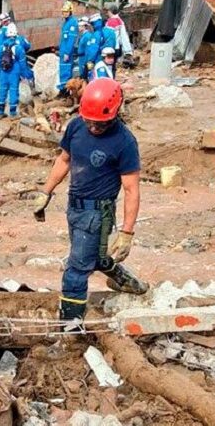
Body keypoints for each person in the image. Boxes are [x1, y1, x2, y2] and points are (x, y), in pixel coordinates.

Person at [33, 78, 148, 326]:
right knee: (92, 257)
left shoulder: (124, 142)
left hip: (97, 213)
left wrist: (127, 232)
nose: (94, 127)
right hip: (74, 207)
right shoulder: (76, 127)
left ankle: (69, 328)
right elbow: (64, 160)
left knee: (75, 271)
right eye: (90, 121)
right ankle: (131, 284)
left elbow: (131, 189)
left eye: (100, 124)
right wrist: (46, 191)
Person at [0, 23, 26, 118]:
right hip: (14, 71)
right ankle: (12, 113)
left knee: (2, 90)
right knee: (13, 90)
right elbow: (23, 64)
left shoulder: (1, 47)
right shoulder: (18, 48)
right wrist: (25, 75)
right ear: (15, 33)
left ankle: (0, 112)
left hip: (3, 71)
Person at [58, 1, 79, 92]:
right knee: (63, 70)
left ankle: (65, 91)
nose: (64, 14)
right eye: (63, 12)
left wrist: (67, 53)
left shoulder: (72, 23)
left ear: (70, 12)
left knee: (66, 71)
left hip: (67, 52)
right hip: (63, 51)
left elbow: (71, 40)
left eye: (66, 12)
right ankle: (63, 89)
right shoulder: (66, 23)